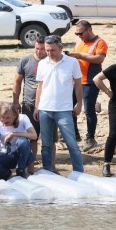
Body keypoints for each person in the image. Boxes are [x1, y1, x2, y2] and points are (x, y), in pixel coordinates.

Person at [33, 35, 84, 173]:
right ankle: (48, 172)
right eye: (47, 50)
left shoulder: (72, 62)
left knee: (71, 143)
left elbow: (78, 85)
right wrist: (37, 107)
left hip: (64, 109)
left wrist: (79, 104)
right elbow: (40, 86)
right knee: (46, 144)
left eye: (52, 50)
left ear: (61, 48)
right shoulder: (43, 63)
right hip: (44, 109)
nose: (49, 53)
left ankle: (79, 172)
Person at [12, 36, 56, 173]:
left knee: (50, 140)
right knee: (31, 137)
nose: (39, 52)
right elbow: (17, 82)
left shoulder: (53, 62)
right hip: (29, 105)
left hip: (49, 105)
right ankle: (30, 167)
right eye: (37, 48)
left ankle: (51, 167)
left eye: (42, 49)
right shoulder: (26, 61)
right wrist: (15, 101)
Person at [68, 20, 108, 151]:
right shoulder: (80, 42)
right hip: (76, 81)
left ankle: (90, 138)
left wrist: (80, 55)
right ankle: (74, 135)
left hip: (90, 82)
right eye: (76, 34)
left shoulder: (100, 42)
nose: (79, 36)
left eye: (80, 33)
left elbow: (99, 59)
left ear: (89, 30)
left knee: (89, 110)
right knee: (69, 107)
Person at [0, 102, 37, 180]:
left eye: (8, 117)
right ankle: (5, 174)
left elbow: (34, 135)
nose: (4, 120)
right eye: (2, 117)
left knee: (22, 141)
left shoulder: (23, 118)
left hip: (22, 154)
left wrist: (13, 134)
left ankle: (21, 169)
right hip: (6, 154)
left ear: (15, 115)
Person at [93, 62, 116, 177]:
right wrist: (108, 93)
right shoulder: (114, 67)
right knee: (113, 134)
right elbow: (97, 78)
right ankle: (106, 164)